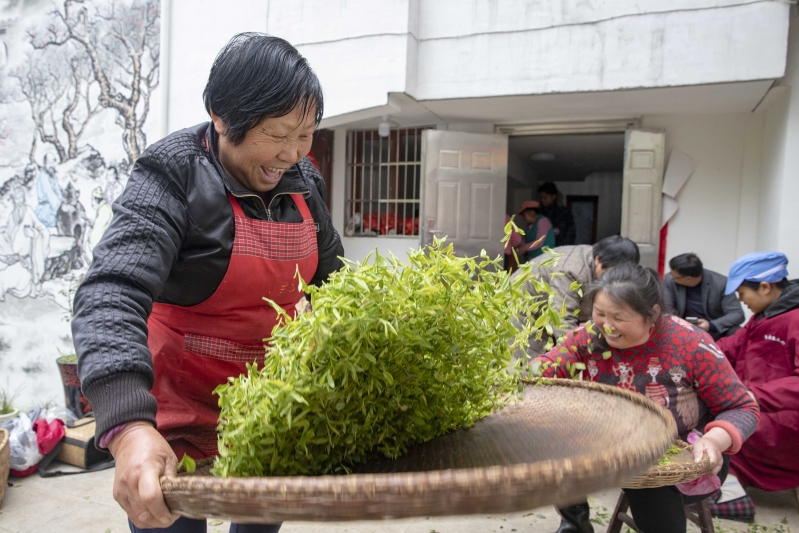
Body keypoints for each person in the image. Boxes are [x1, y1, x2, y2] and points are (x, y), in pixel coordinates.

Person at [72, 34, 344, 532]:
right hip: (174, 417)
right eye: (277, 133)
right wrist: (130, 428)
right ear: (221, 115)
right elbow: (110, 293)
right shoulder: (172, 174)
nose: (291, 153)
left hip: (267, 412)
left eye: (305, 134)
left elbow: (334, 284)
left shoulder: (305, 182)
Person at [534, 263, 759, 533]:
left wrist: (713, 441)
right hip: (612, 448)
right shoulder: (589, 337)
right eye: (600, 313)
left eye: (618, 318)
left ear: (651, 313)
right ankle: (575, 523)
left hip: (681, 456)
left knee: (651, 487)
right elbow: (545, 370)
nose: (607, 326)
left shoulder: (691, 344)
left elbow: (742, 407)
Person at [715, 252, 799, 495]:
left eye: (742, 293)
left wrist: (753, 396)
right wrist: (694, 351)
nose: (741, 300)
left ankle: (728, 495)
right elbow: (729, 347)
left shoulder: (793, 319)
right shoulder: (764, 317)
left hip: (782, 418)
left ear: (764, 287)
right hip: (759, 407)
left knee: (715, 431)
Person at [513, 235, 640, 358]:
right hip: (521, 309)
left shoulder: (598, 259)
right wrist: (581, 356)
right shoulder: (571, 271)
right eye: (610, 273)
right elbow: (562, 320)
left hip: (548, 312)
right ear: (598, 260)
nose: (613, 280)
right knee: (535, 362)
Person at [663, 253, 745, 340]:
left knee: (736, 331)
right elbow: (667, 308)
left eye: (674, 276)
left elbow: (737, 314)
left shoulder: (721, 283)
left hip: (713, 331)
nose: (670, 276)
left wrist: (711, 325)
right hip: (680, 330)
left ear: (688, 279)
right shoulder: (669, 280)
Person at [538, 182, 576, 247]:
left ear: (553, 197)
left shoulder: (564, 212)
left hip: (560, 248)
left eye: (545, 197)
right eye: (541, 198)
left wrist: (562, 248)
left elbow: (570, 233)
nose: (543, 200)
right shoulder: (541, 212)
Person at [34, 153, 63, 228]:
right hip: (45, 211)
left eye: (53, 162)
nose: (51, 165)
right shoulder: (43, 177)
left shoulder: (53, 176)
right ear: (45, 164)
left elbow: (58, 190)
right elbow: (50, 194)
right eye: (49, 163)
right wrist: (60, 208)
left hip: (55, 207)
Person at [87, 186, 113, 261]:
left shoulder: (104, 210)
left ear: (95, 199)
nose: (91, 203)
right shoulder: (105, 208)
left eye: (92, 199)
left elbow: (96, 236)